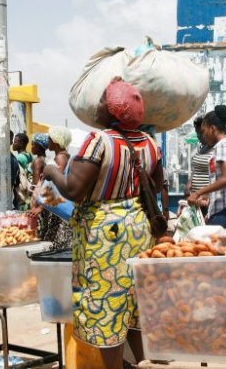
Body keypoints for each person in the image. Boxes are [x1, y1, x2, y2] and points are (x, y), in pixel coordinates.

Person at [43, 78, 162, 368]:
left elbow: (73, 190)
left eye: (102, 101)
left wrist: (50, 172)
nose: (96, 106)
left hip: (104, 236)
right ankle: (144, 362)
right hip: (138, 228)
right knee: (134, 301)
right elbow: (157, 185)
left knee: (107, 302)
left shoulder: (100, 140)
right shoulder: (149, 143)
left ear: (113, 110)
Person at [187, 105, 226, 227]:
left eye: (203, 131)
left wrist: (198, 193)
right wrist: (207, 196)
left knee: (206, 242)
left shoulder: (221, 146)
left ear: (212, 128)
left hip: (224, 210)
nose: (203, 136)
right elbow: (220, 181)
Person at [43, 126, 74, 250]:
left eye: (49, 138)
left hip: (59, 210)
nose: (48, 141)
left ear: (56, 141)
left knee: (60, 247)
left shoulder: (60, 157)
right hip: (58, 208)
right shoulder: (66, 156)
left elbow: (57, 185)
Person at [185, 116, 214, 213]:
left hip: (207, 200)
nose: (198, 136)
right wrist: (189, 183)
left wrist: (208, 196)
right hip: (196, 200)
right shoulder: (202, 148)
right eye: (197, 133)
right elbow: (196, 169)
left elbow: (219, 176)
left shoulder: (217, 148)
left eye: (200, 133)